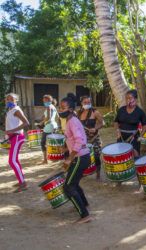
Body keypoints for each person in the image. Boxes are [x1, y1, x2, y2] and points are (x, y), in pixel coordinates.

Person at [59, 93, 91, 224]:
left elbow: (79, 141)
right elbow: (75, 140)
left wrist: (68, 158)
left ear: (71, 109)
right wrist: (66, 149)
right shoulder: (69, 120)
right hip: (80, 156)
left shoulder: (72, 122)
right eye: (60, 107)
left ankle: (85, 215)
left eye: (63, 108)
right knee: (74, 183)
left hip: (80, 158)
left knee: (68, 186)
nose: (61, 110)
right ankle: (85, 204)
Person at [4, 93, 29, 193]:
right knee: (14, 160)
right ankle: (21, 181)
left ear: (16, 101)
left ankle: (23, 184)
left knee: (12, 161)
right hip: (13, 137)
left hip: (17, 137)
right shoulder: (10, 111)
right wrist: (7, 136)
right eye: (7, 99)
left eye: (12, 99)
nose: (9, 101)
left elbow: (26, 123)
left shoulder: (16, 110)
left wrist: (12, 131)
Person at [114, 89, 146, 157]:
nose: (128, 100)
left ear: (135, 99)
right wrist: (117, 130)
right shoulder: (121, 110)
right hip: (121, 137)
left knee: (135, 156)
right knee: (122, 156)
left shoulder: (139, 112)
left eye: (130, 98)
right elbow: (116, 121)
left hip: (134, 137)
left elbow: (145, 125)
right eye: (126, 98)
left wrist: (141, 136)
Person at [77, 96, 105, 180]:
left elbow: (102, 123)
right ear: (81, 103)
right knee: (84, 156)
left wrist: (95, 128)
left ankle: (98, 174)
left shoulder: (95, 112)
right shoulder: (79, 113)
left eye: (89, 102)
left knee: (96, 156)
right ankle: (84, 172)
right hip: (84, 139)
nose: (87, 104)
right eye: (85, 103)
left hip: (94, 138)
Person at [37, 95, 58, 164]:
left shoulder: (49, 107)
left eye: (45, 101)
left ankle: (45, 160)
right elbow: (57, 117)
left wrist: (41, 122)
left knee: (43, 143)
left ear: (49, 100)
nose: (44, 102)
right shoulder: (54, 107)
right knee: (53, 142)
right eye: (43, 101)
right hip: (54, 125)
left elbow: (48, 117)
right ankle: (55, 157)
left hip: (49, 126)